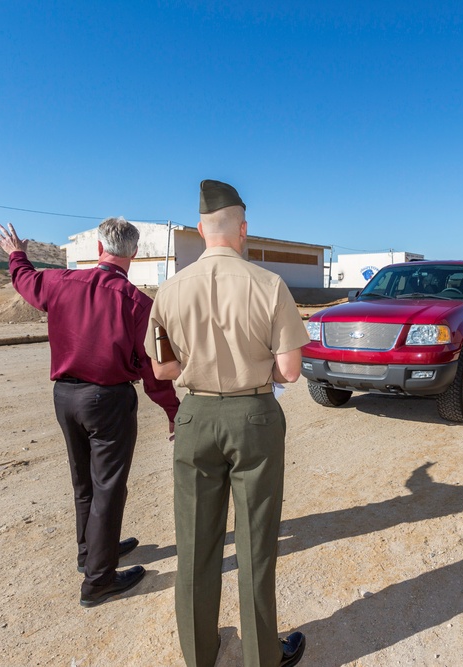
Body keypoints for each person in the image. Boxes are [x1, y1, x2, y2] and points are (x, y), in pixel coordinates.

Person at [146, 180, 309, 667]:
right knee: (258, 541)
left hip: (195, 416)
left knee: (196, 544)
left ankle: (199, 653)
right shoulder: (269, 285)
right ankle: (263, 656)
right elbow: (291, 371)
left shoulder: (169, 290)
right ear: (242, 230)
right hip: (254, 416)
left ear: (200, 230)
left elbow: (161, 369)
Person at [0, 218, 179, 607]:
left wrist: (16, 254)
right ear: (135, 254)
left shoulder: (60, 282)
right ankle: (99, 581)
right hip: (108, 400)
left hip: (65, 397)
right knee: (108, 487)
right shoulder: (138, 303)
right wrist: (173, 410)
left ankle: (89, 551)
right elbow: (152, 368)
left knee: (84, 482)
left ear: (98, 249)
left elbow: (25, 280)